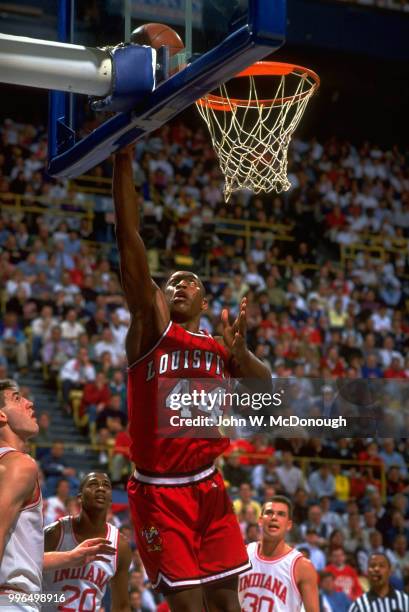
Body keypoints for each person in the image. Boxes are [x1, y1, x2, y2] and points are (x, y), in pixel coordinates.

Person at [113, 146, 272, 611]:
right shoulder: (150, 333)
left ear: (204, 302)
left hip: (209, 486)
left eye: (190, 281)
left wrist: (242, 353)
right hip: (161, 493)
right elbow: (129, 239)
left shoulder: (220, 346)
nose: (178, 285)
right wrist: (124, 158)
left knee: (229, 606)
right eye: (171, 282)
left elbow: (263, 387)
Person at [0, 379, 116, 607]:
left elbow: (17, 557)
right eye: (16, 398)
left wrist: (71, 557)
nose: (29, 403)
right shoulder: (20, 464)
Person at [43, 471, 132, 612]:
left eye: (106, 485)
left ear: (110, 499)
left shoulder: (120, 547)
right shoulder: (54, 533)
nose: (101, 488)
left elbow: (122, 606)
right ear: (80, 497)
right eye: (93, 484)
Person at [238, 497, 319, 611]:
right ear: (260, 520)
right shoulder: (243, 554)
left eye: (281, 514)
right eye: (269, 513)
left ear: (289, 525)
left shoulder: (302, 566)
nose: (274, 517)